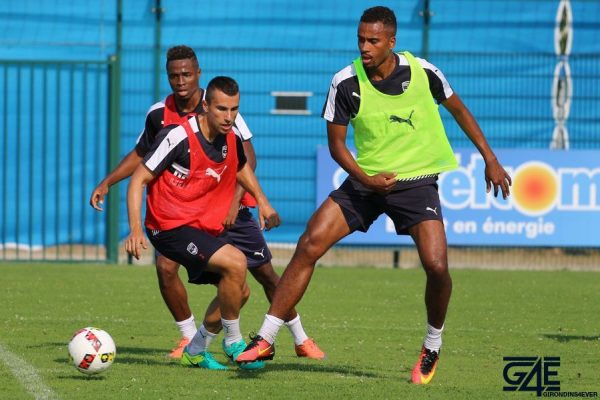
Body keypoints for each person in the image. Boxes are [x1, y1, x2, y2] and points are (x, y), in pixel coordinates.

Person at [236, 6, 511, 385]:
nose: (364, 46)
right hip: (366, 181)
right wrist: (367, 178)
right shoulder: (345, 82)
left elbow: (460, 111)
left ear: (391, 42)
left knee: (437, 266)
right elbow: (336, 146)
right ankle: (266, 339)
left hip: (416, 181)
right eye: (361, 39)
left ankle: (432, 344)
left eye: (373, 40)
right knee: (310, 242)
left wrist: (490, 159)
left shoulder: (423, 72)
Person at [89, 45, 324, 361]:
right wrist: (109, 184)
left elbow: (245, 161)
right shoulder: (163, 117)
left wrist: (250, 203)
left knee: (255, 279)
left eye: (186, 74)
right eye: (174, 75)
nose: (181, 81)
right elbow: (142, 158)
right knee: (169, 265)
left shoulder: (224, 113)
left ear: (198, 75)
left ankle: (298, 338)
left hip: (229, 212)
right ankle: (204, 340)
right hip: (183, 218)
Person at [125, 76, 280, 370]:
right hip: (167, 227)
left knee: (238, 291)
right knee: (236, 262)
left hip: (197, 227)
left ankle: (195, 349)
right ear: (205, 106)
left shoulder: (230, 138)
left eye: (234, 109)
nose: (229, 117)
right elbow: (138, 179)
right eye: (222, 109)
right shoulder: (177, 137)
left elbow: (241, 169)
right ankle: (234, 343)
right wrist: (135, 228)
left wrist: (263, 202)